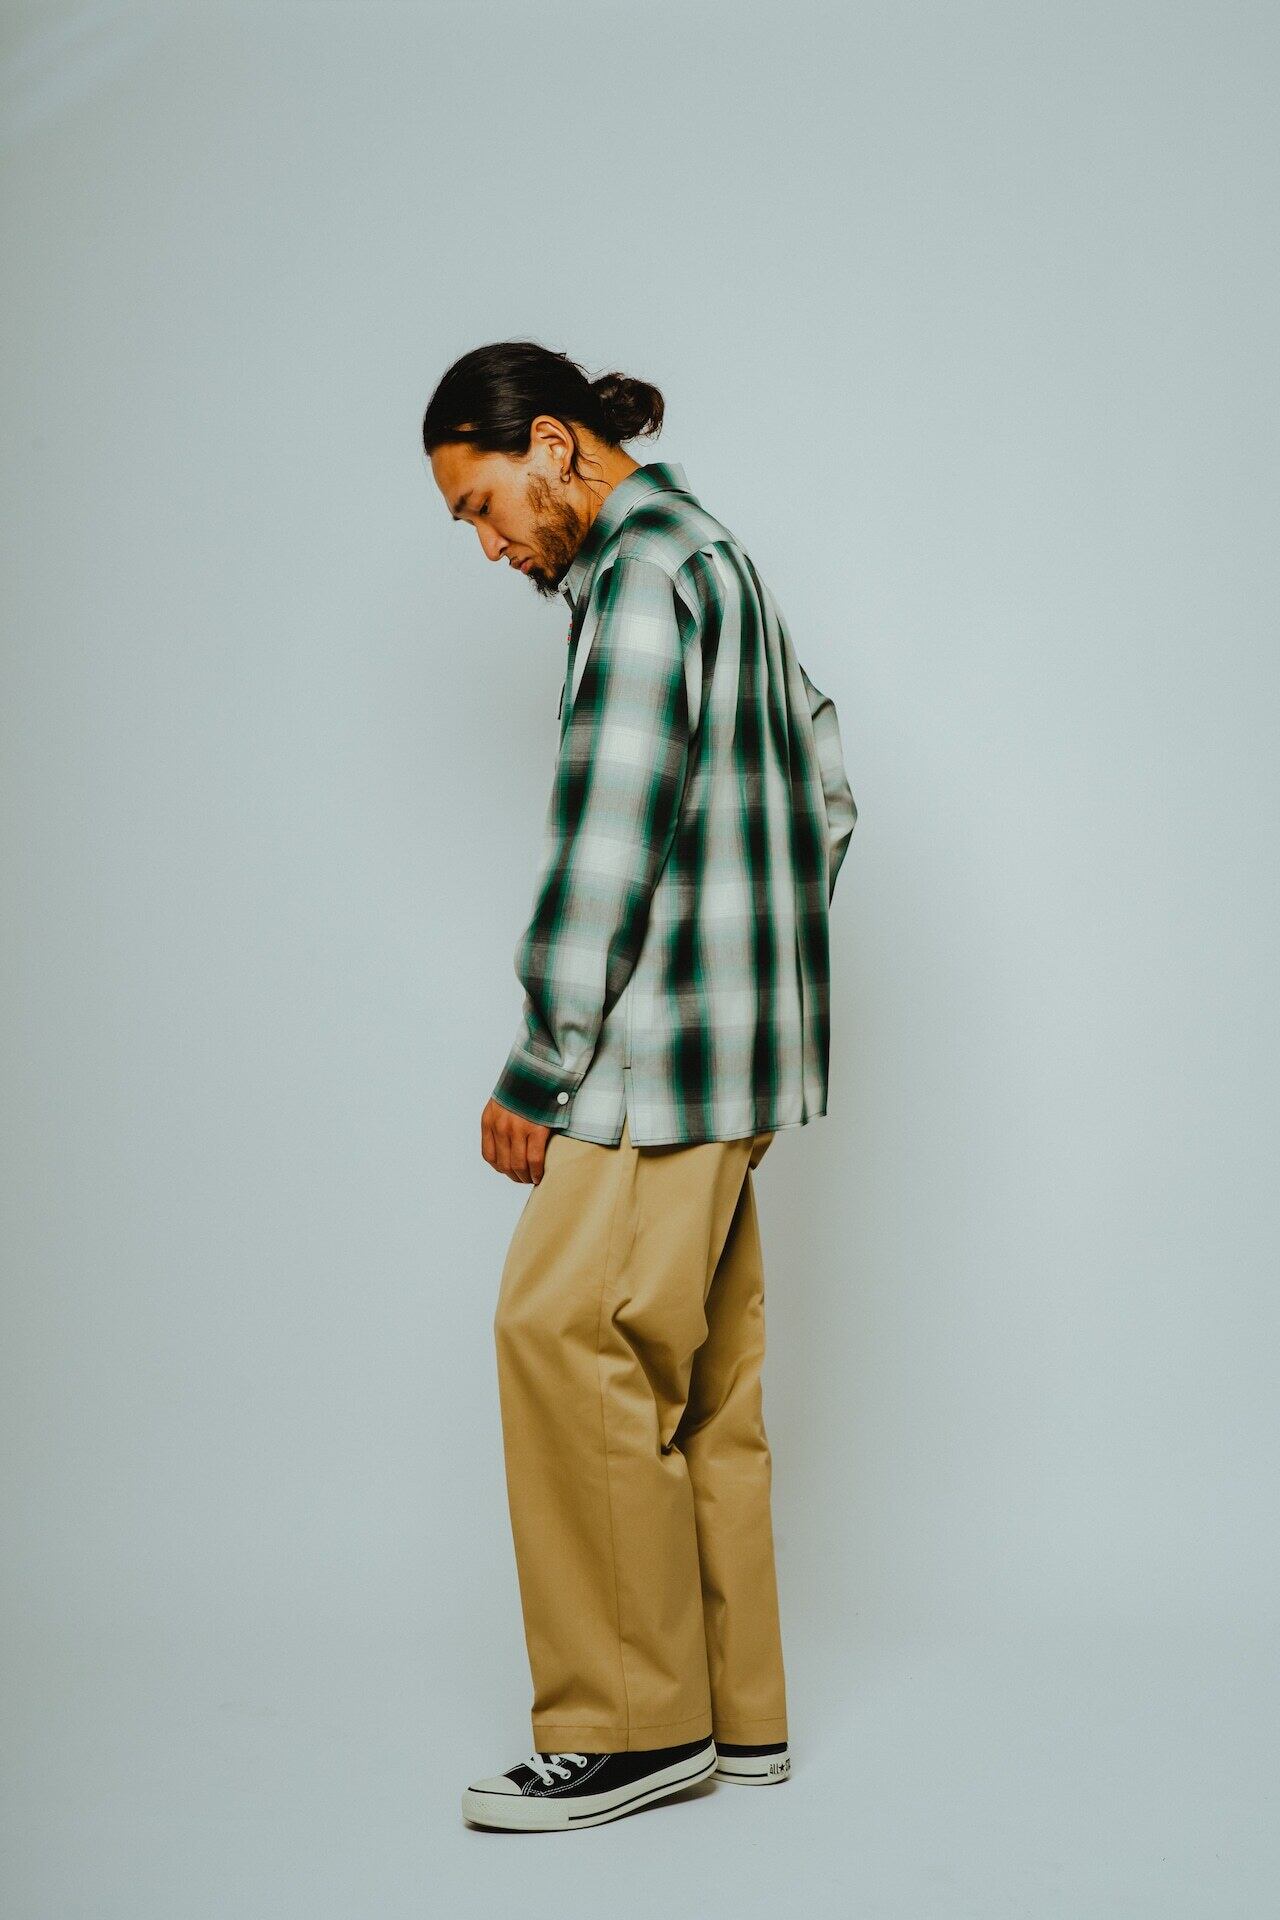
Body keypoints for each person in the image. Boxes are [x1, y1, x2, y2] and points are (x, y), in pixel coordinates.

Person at [422, 340, 856, 1832]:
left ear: (553, 445)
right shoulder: (720, 557)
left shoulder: (634, 576)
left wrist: (539, 1065)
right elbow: (824, 780)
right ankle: (738, 1719)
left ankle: (627, 1730)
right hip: (741, 1061)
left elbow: (607, 837)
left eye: (483, 506)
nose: (490, 546)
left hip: (653, 1064)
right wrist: (761, 965)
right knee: (701, 1389)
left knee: (564, 1337)